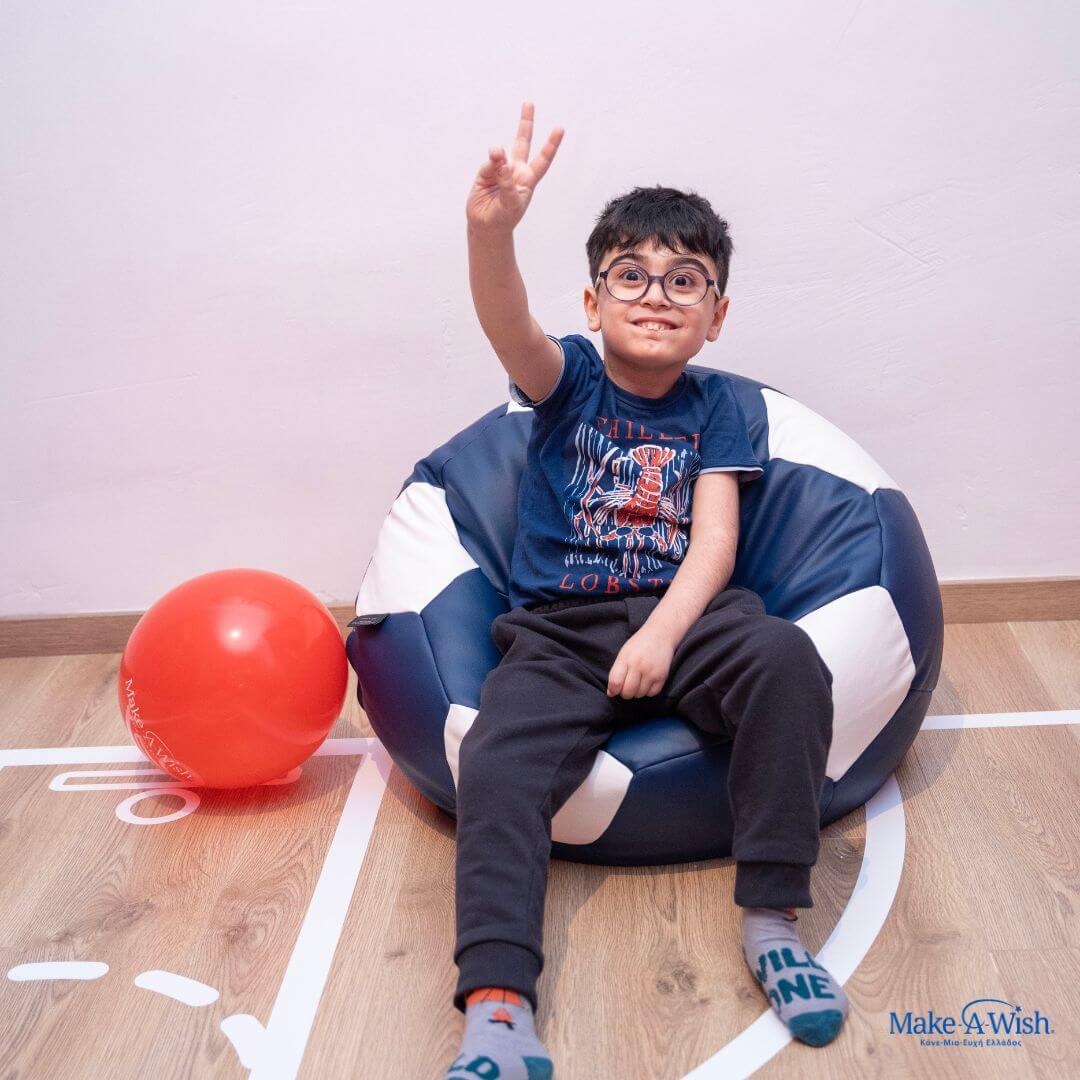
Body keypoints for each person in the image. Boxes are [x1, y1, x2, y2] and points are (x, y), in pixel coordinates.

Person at [443, 102, 848, 1080]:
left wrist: (664, 635)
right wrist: (491, 232)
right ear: (594, 303)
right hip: (561, 629)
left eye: (685, 280)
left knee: (788, 659)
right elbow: (506, 322)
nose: (656, 297)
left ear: (717, 314)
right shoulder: (571, 380)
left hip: (689, 616)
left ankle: (772, 920)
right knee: (496, 756)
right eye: (631, 276)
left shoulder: (724, 404)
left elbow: (715, 544)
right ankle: (498, 1004)